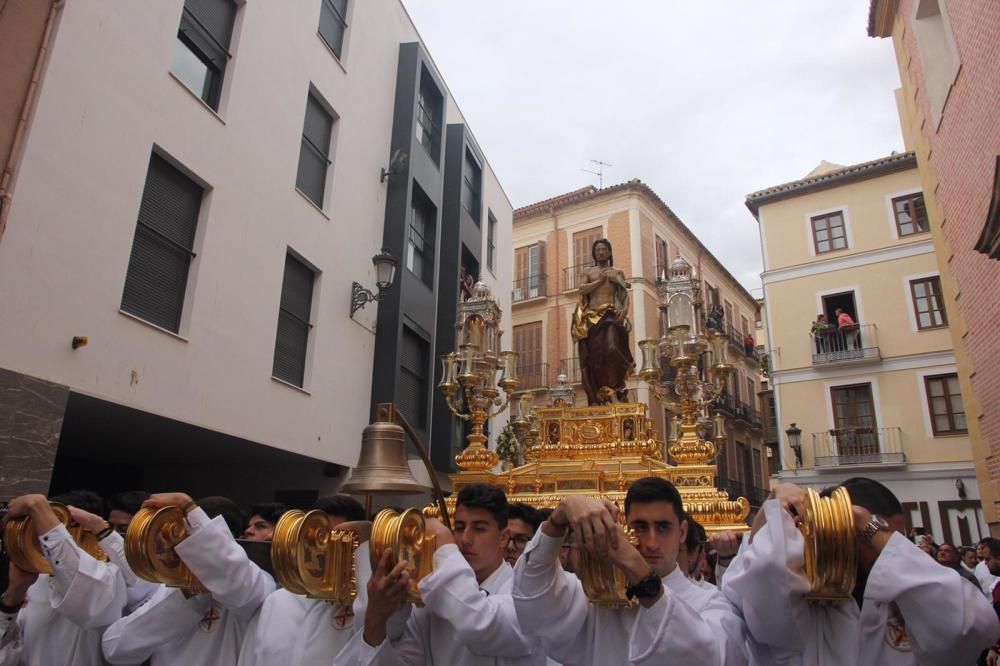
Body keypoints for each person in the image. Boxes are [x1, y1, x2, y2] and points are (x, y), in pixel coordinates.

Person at [723, 478, 999, 665]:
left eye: (892, 539)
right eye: (871, 536)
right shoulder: (797, 600)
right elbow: (761, 572)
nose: (888, 548)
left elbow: (972, 627)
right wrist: (774, 507)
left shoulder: (911, 596)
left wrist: (869, 528)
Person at [512, 477, 747, 665]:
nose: (652, 543)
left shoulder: (712, 604)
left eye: (663, 527)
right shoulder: (596, 600)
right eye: (640, 527)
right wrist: (558, 519)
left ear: (682, 532)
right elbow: (533, 600)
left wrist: (638, 570)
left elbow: (706, 657)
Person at [335, 484, 544, 665]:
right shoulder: (434, 595)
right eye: (459, 528)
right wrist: (377, 619)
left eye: (479, 529)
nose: (466, 539)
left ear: (502, 537)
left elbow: (480, 623)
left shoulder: (528, 592)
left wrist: (444, 544)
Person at [102, 493, 274, 666]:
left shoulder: (258, 583)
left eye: (185, 538)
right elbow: (115, 648)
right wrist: (185, 598)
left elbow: (231, 577)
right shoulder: (171, 586)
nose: (175, 549)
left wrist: (188, 508)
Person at [0, 491, 127, 666]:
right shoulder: (37, 579)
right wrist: (14, 595)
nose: (42, 538)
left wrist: (38, 506)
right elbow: (7, 657)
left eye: (47, 525)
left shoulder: (110, 577)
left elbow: (81, 591)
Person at [244, 494, 371, 666]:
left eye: (337, 539)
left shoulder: (365, 605)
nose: (323, 547)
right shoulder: (277, 600)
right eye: (317, 537)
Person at [572, 238, 634, 405]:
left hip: (610, 316)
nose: (601, 252)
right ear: (594, 253)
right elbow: (582, 289)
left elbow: (624, 291)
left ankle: (615, 387)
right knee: (594, 359)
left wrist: (624, 309)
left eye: (604, 249)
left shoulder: (617, 272)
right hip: (592, 319)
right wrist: (599, 281)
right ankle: (604, 394)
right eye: (598, 250)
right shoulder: (588, 272)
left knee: (612, 349)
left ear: (609, 252)